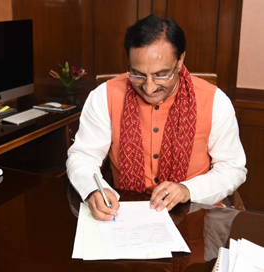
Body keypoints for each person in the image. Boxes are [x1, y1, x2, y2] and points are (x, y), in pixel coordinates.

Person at [66, 14, 247, 221]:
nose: (149, 87)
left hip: (196, 215)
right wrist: (93, 190)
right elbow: (83, 156)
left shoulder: (215, 101)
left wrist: (187, 190)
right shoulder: (103, 96)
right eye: (138, 74)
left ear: (180, 61)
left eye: (161, 75)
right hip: (124, 215)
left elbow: (232, 168)